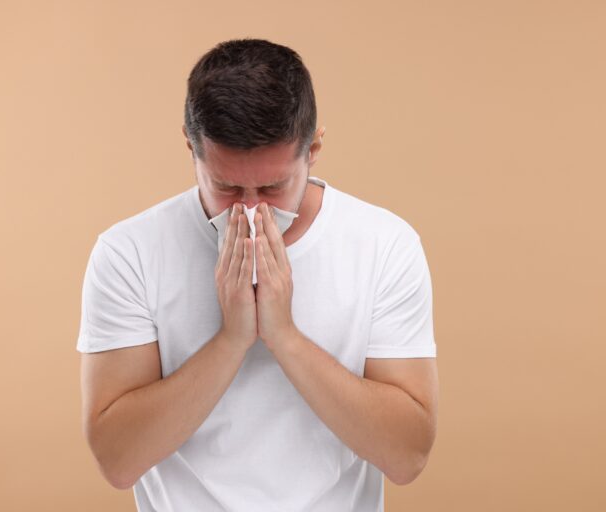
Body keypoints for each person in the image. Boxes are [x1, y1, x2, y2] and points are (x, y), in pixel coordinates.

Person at [77, 38, 439, 512]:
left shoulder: (385, 245)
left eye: (272, 186)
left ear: (314, 149)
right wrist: (231, 340)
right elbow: (118, 461)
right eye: (226, 187)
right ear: (191, 149)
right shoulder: (128, 253)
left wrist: (284, 336)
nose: (250, 210)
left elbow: (408, 456)